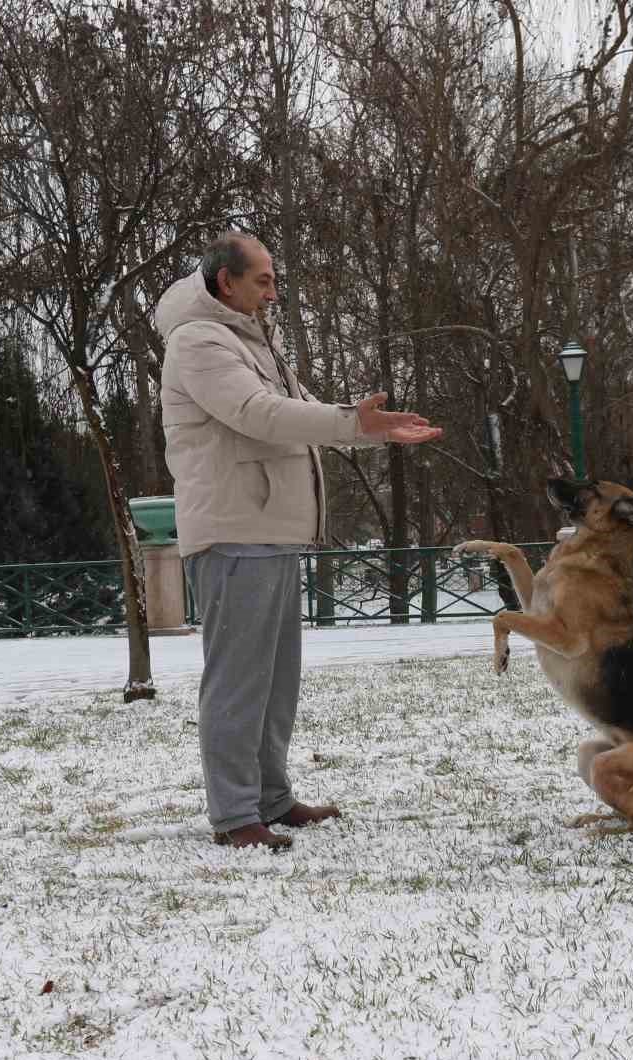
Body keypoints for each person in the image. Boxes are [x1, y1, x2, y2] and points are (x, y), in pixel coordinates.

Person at [155, 232, 443, 851]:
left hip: (270, 528)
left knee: (276, 679)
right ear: (224, 281)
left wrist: (373, 431)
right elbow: (258, 414)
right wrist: (350, 421)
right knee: (238, 679)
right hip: (233, 530)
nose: (273, 291)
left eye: (273, 279)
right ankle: (235, 815)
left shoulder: (255, 338)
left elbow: (300, 408)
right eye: (262, 280)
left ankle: (271, 798)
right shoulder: (198, 340)